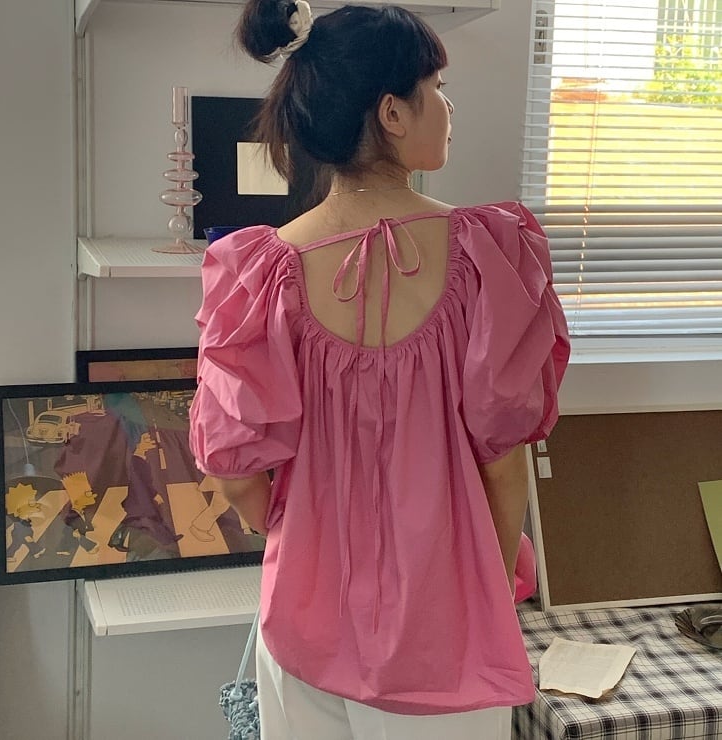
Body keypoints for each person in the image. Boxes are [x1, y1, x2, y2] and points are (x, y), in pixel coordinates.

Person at [188, 2, 570, 738]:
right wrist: (490, 586)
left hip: (305, 623)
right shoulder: (488, 257)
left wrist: (303, 531)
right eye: (437, 88)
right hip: (446, 636)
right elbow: (502, 462)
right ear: (393, 112)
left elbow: (235, 472)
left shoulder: (259, 274)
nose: (449, 108)